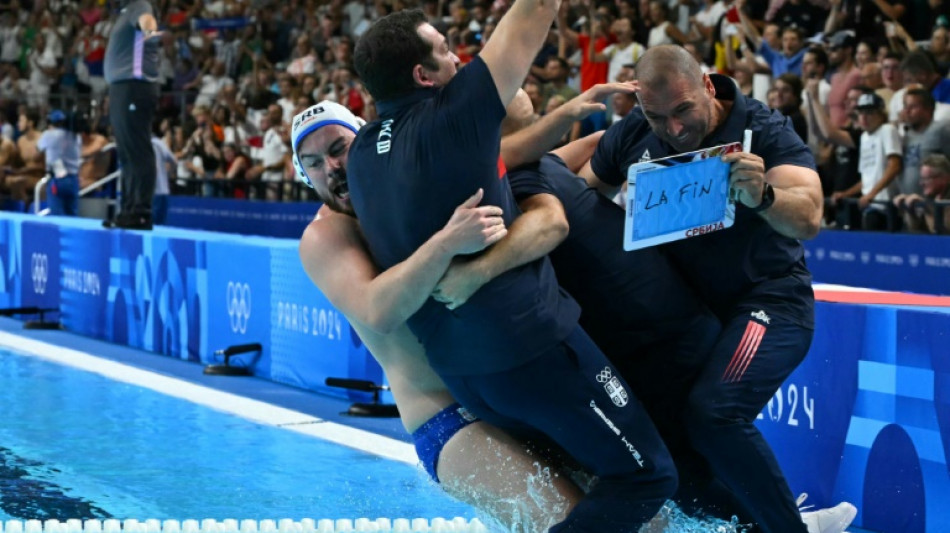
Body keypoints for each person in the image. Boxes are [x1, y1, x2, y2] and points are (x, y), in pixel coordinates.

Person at [346, 7, 677, 531]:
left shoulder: (364, 152)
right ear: (422, 76)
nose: (458, 56)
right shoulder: (455, 114)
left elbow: (499, 152)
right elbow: (536, 12)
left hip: (467, 376)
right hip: (534, 349)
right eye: (443, 48)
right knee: (648, 478)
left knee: (602, 490)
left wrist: (565, 114)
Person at [294, 102, 584, 533]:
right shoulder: (326, 236)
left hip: (509, 391)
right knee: (570, 522)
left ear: (368, 143)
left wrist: (625, 143)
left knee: (639, 511)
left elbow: (515, 154)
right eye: (314, 163)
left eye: (339, 148)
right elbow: (380, 310)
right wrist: (447, 244)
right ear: (304, 176)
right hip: (447, 419)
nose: (332, 168)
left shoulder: (409, 188)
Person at [579, 44, 825, 533]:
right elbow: (583, 197)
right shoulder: (634, 133)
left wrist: (764, 196)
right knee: (672, 465)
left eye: (683, 110)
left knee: (714, 414)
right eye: (657, 116)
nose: (673, 129)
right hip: (688, 318)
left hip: (767, 302)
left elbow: (810, 215)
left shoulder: (764, 128)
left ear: (708, 86)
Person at [102, 0, 162, 230]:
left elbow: (148, 21)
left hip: (134, 86)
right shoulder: (124, 12)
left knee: (138, 149)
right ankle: (128, 210)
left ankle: (141, 212)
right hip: (122, 88)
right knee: (127, 153)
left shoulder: (139, 5)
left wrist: (150, 32)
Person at [36, 109, 81, 216]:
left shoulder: (49, 135)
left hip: (58, 179)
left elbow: (37, 150)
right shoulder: (76, 136)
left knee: (57, 216)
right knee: (72, 215)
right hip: (74, 179)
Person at [893, 153, 950, 233]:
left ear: (945, 178)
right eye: (922, 179)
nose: (921, 184)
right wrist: (910, 210)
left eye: (926, 179)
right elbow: (914, 229)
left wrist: (926, 209)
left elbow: (942, 231)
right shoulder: (931, 196)